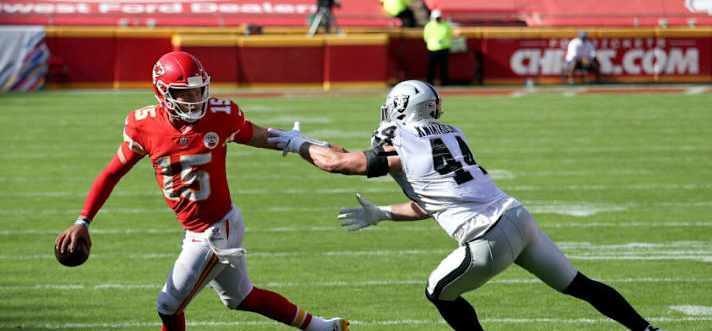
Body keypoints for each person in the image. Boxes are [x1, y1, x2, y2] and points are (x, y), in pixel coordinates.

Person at [266, 80, 663, 331]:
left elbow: (339, 162)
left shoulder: (402, 136)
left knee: (438, 293)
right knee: (579, 284)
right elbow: (433, 201)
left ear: (401, 107)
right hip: (516, 217)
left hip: (487, 237)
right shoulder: (451, 133)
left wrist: (295, 142)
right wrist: (383, 213)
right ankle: (647, 330)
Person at [54, 52, 349, 331]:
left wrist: (314, 145)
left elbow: (261, 135)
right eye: (184, 94)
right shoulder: (144, 127)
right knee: (242, 298)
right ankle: (323, 327)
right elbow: (111, 173)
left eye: (198, 91)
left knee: (168, 305)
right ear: (162, 93)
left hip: (215, 229)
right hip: (203, 227)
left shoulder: (219, 116)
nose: (195, 100)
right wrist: (83, 220)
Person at [424, 9, 452, 86]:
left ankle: (432, 83)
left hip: (435, 48)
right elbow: (450, 35)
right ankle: (443, 83)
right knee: (441, 67)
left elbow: (426, 38)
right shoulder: (445, 25)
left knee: (435, 68)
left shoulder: (429, 26)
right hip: (440, 48)